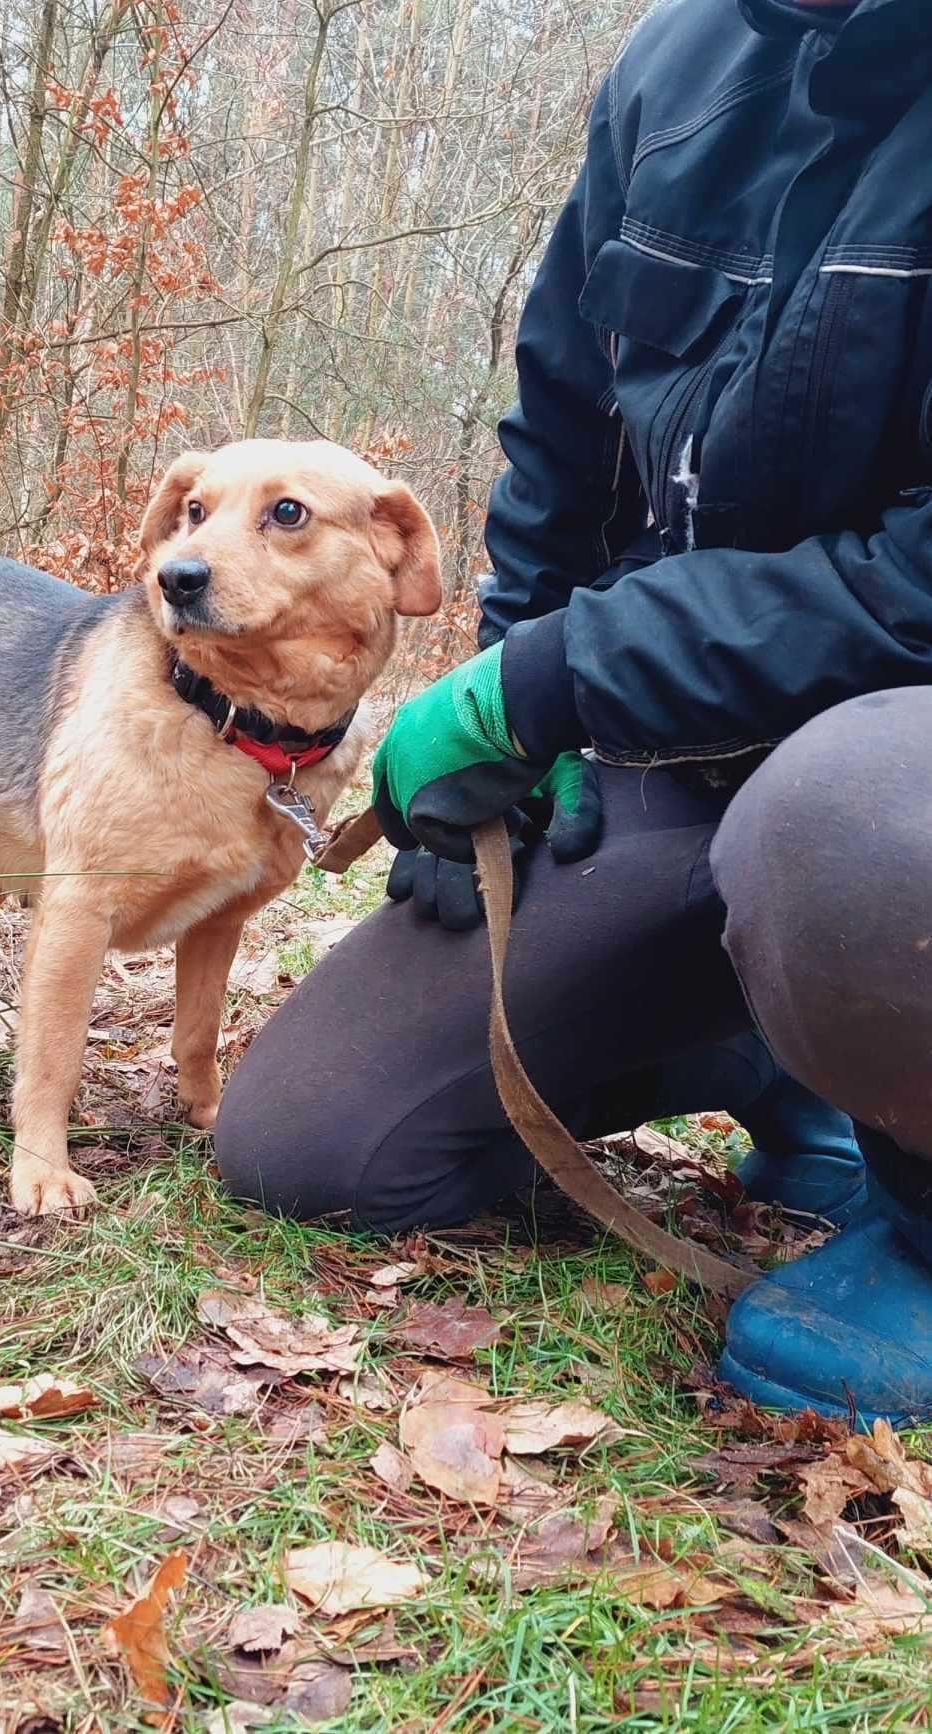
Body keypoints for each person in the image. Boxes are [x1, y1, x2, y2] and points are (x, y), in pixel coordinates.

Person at [216, 0, 932, 1426]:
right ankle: (780, 1046)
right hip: (683, 739)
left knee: (849, 833)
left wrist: (565, 674)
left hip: (888, 774)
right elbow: (562, 434)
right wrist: (514, 701)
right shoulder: (677, 70)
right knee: (319, 1143)